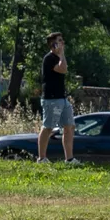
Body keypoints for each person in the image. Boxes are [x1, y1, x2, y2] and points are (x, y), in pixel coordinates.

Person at [38, 31, 75, 164]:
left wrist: (61, 54)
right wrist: (61, 54)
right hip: (51, 99)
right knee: (48, 127)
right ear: (52, 44)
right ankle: (42, 158)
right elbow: (63, 69)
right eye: (59, 40)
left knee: (69, 126)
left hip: (62, 98)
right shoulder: (49, 58)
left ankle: (69, 159)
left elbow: (65, 68)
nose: (62, 42)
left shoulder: (59, 57)